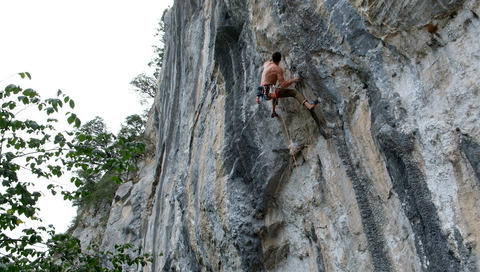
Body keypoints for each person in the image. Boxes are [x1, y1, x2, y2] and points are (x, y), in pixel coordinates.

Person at [256, 52, 319, 118]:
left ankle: (273, 112)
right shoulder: (277, 69)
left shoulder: (266, 64)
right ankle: (309, 106)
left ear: (272, 58)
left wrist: (257, 97)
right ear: (280, 60)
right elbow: (283, 84)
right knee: (294, 93)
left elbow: (269, 60)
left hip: (262, 93)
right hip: (268, 91)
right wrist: (293, 80)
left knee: (274, 92)